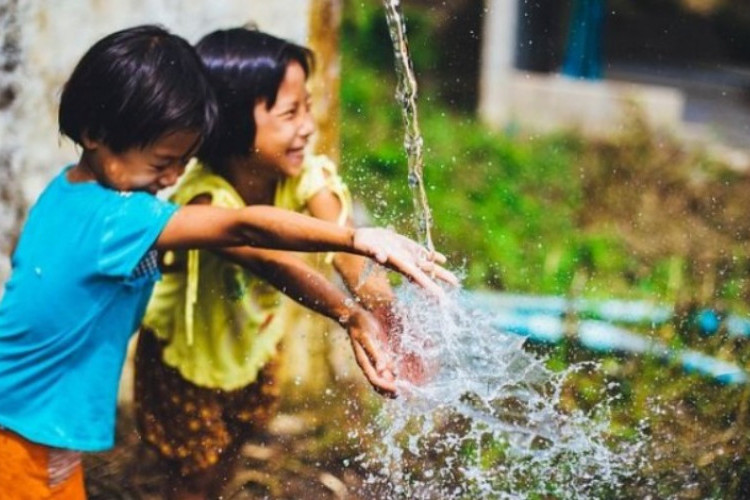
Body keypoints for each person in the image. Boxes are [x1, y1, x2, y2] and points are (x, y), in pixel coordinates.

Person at [0, 25, 455, 499]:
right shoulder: (120, 217)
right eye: (161, 163)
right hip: (26, 421)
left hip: (27, 412)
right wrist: (359, 237)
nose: (173, 177)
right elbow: (245, 227)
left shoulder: (69, 191)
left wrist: (372, 305)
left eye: (182, 160)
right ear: (95, 134)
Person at [133, 27, 424, 500]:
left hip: (255, 344)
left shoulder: (309, 176)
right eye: (290, 113)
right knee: (194, 471)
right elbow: (273, 262)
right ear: (229, 124)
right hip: (183, 357)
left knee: (238, 441)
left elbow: (354, 259)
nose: (308, 125)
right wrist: (348, 316)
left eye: (307, 106)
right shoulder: (204, 200)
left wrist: (389, 320)